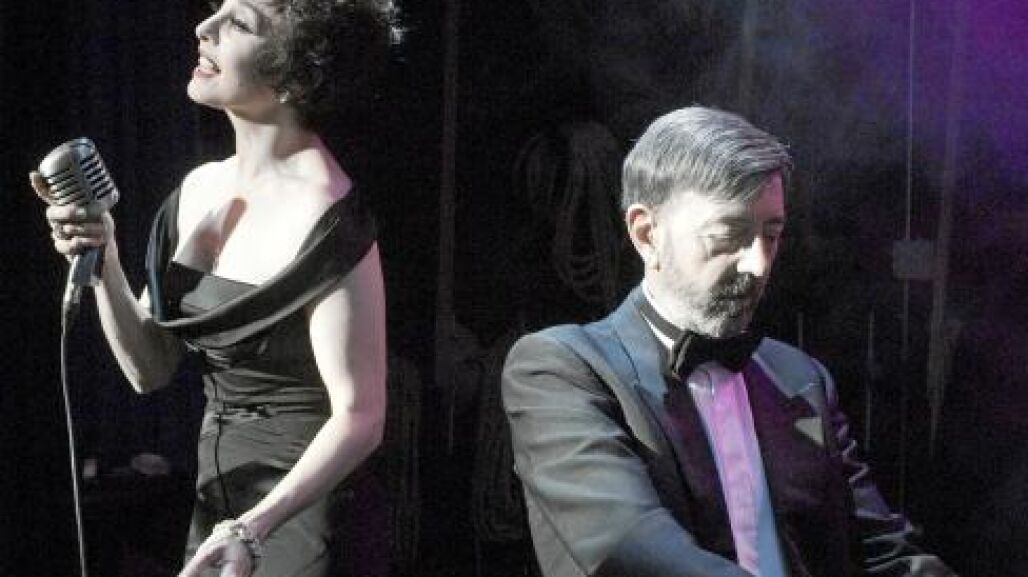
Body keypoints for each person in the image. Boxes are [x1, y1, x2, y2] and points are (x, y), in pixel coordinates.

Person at [501, 106, 956, 577]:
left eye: (771, 235)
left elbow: (881, 550)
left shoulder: (800, 377)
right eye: (728, 236)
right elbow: (632, 549)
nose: (758, 265)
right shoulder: (560, 369)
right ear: (646, 234)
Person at [31, 0, 399, 575]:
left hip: (305, 513)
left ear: (295, 74)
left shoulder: (328, 217)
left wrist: (254, 528)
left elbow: (362, 417)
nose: (204, 29)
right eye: (216, 10)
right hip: (222, 500)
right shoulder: (199, 189)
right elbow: (149, 369)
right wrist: (106, 259)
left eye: (240, 22)